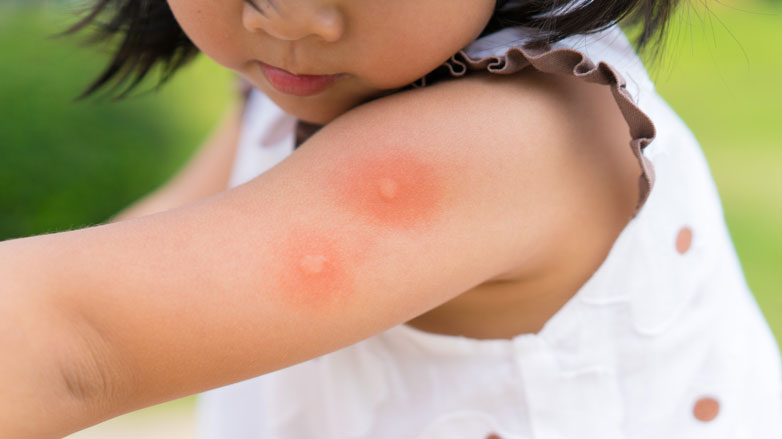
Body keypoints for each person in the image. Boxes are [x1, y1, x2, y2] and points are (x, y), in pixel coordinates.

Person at [1, 0, 780, 437]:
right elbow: (150, 244)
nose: (288, 13)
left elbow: (74, 341)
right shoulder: (323, 81)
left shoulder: (509, 140)